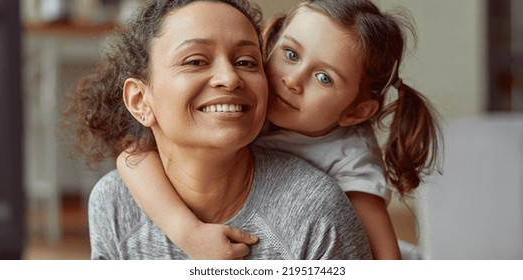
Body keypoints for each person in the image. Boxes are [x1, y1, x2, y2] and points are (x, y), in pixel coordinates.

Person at [117, 0, 441, 260]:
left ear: (355, 111)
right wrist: (188, 232)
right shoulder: (246, 102)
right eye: (290, 54)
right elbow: (132, 157)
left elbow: (386, 259)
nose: (292, 80)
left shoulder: (351, 160)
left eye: (324, 78)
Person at [63, 0, 373, 260]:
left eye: (247, 62)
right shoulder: (115, 203)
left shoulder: (315, 211)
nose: (230, 77)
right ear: (140, 100)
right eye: (196, 61)